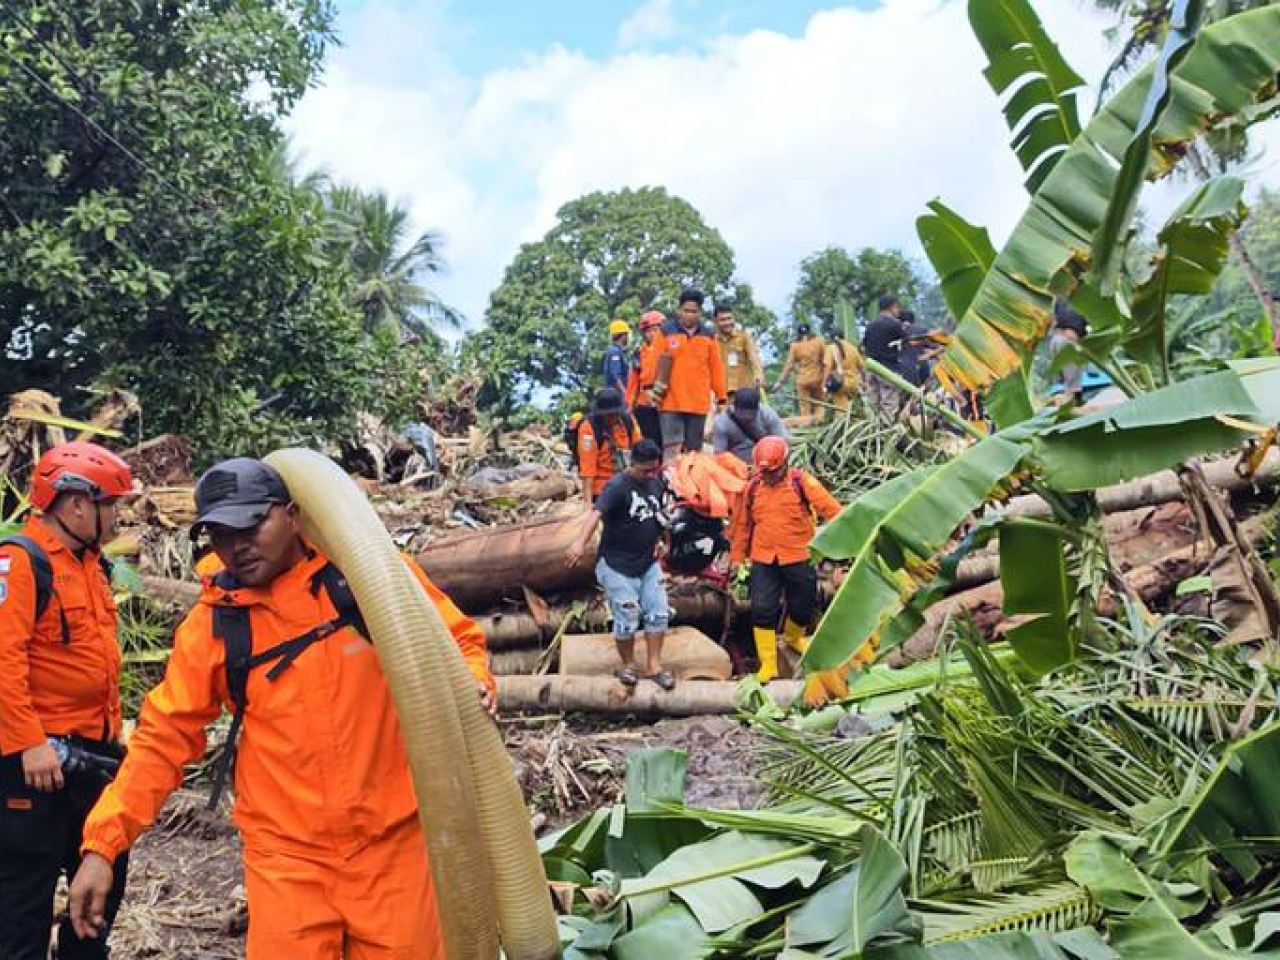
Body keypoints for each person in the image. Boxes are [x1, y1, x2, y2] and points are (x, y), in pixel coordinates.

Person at [68, 458, 495, 959]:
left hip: (394, 848)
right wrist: (103, 843)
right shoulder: (215, 627)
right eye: (221, 534)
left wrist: (473, 683)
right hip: (286, 861)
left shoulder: (364, 581)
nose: (238, 545)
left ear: (292, 515)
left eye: (252, 525)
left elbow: (457, 639)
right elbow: (162, 740)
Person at [0, 442, 134, 960]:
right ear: (77, 505)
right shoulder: (21, 561)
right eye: (112, 505)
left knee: (100, 889)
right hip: (36, 767)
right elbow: (3, 662)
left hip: (94, 760)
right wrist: (29, 744)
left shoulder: (90, 565)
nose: (118, 516)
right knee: (22, 903)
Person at [728, 437, 841, 686]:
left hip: (799, 554)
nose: (767, 476)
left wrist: (843, 548)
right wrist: (737, 558)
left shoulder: (802, 482)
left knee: (803, 604)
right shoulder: (753, 488)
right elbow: (743, 525)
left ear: (784, 465)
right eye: (764, 471)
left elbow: (833, 511)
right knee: (762, 609)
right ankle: (767, 663)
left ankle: (793, 638)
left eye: (772, 471)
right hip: (764, 557)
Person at [565, 440, 674, 691]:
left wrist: (665, 542)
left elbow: (659, 515)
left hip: (646, 562)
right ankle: (627, 665)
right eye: (645, 470)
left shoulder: (655, 484)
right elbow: (596, 514)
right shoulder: (617, 487)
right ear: (633, 464)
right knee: (627, 614)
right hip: (616, 564)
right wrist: (579, 543)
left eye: (653, 470)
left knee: (658, 612)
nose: (649, 475)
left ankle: (654, 666)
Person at [651, 288, 727, 463]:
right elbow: (655, 363)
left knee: (694, 452)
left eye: (694, 311)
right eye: (686, 311)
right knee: (671, 450)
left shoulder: (709, 336)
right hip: (670, 401)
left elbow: (716, 368)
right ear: (679, 310)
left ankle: (692, 488)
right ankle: (671, 488)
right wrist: (650, 389)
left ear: (700, 312)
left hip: (698, 403)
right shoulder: (666, 331)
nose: (689, 315)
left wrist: (722, 398)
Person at [576, 387, 641, 506]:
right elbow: (587, 469)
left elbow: (640, 451)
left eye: (615, 414)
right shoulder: (588, 428)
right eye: (608, 415)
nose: (612, 418)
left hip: (628, 482)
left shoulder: (629, 422)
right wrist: (588, 504)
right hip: (602, 489)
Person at [712, 387, 788, 465]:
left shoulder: (768, 415)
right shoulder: (722, 423)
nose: (746, 419)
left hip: (766, 464)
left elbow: (783, 442)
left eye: (750, 417)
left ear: (758, 409)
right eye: (742, 415)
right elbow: (719, 455)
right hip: (736, 466)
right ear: (734, 408)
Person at [863, 295, 906, 422]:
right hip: (888, 370)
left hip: (871, 370)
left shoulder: (870, 326)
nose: (898, 311)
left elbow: (864, 346)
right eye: (897, 307)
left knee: (872, 404)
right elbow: (906, 343)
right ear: (892, 307)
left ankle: (871, 432)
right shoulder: (895, 325)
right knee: (889, 404)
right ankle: (886, 434)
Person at [773, 322, 827, 421]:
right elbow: (826, 360)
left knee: (804, 408)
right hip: (818, 379)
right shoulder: (819, 342)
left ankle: (806, 426)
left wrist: (779, 382)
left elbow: (789, 365)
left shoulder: (795, 346)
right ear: (810, 331)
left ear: (798, 333)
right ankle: (819, 422)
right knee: (819, 404)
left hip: (803, 381)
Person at [627, 310, 666, 446]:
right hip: (645, 404)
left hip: (667, 403)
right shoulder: (639, 353)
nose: (652, 333)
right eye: (648, 330)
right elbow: (633, 383)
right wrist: (629, 407)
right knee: (650, 442)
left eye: (656, 329)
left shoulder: (671, 350)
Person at [713, 303, 763, 401]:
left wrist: (759, 373)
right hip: (722, 395)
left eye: (729, 318)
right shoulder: (712, 341)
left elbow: (754, 357)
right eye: (723, 320)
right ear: (715, 321)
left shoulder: (744, 337)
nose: (727, 322)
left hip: (744, 392)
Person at [1049, 299, 1088, 405]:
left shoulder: (1083, 296)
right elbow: (1055, 319)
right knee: (1055, 345)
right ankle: (1061, 393)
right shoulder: (1060, 299)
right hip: (1059, 335)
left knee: (1071, 367)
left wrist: (1075, 332)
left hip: (1073, 337)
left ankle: (1073, 395)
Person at [822, 329, 865, 414]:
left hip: (840, 383)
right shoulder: (853, 348)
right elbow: (862, 367)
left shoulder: (831, 348)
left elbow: (828, 368)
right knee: (854, 409)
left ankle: (844, 425)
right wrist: (864, 383)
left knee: (842, 412)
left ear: (832, 338)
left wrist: (823, 384)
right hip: (854, 383)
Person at [602, 319, 632, 397]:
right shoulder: (615, 352)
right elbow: (616, 377)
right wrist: (625, 394)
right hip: (617, 396)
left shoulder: (616, 351)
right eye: (627, 334)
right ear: (623, 335)